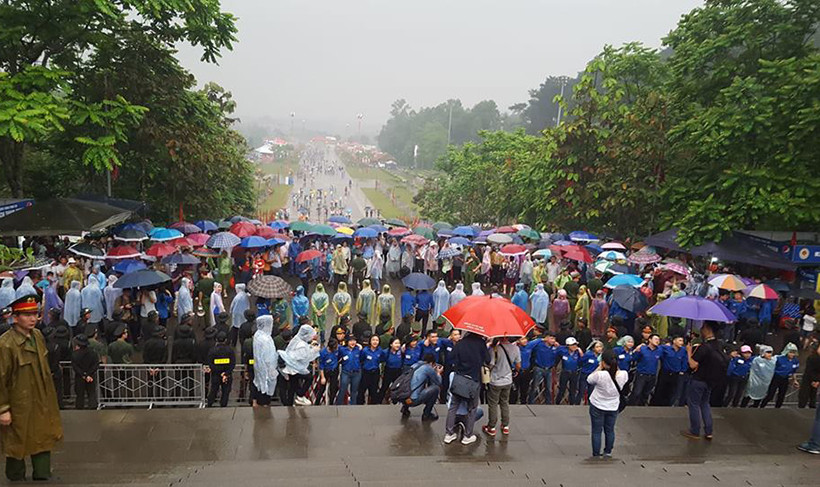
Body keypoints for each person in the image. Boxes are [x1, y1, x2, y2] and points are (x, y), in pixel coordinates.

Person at [0, 295, 63, 481]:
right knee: (16, 444)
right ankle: (16, 477)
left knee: (43, 439)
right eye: (27, 315)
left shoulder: (37, 336)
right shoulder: (6, 344)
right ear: (15, 317)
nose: (33, 318)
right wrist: (3, 408)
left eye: (35, 313)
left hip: (41, 400)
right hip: (18, 403)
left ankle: (42, 474)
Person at [682, 321, 725, 440]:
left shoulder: (704, 347)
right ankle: (708, 431)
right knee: (705, 404)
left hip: (699, 379)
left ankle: (695, 430)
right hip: (710, 381)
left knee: (694, 404)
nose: (701, 330)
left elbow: (692, 364)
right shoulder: (718, 345)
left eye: (703, 327)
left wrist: (689, 352)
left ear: (707, 329)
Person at [444, 331, 489, 443]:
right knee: (472, 408)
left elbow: (451, 358)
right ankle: (467, 436)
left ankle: (449, 434)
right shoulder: (481, 344)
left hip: (459, 378)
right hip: (473, 379)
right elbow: (487, 359)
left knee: (453, 406)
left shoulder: (460, 343)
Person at [586, 349, 628, 459]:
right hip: (613, 406)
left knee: (596, 430)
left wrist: (599, 367)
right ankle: (608, 451)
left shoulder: (600, 375)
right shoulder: (623, 374)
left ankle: (596, 453)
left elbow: (589, 379)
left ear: (603, 362)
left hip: (597, 404)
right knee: (610, 430)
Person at [483, 337, 521, 437]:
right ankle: (505, 426)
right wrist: (514, 371)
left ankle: (491, 427)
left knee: (493, 404)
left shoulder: (494, 349)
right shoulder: (515, 348)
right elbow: (518, 365)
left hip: (495, 381)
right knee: (505, 402)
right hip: (508, 380)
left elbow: (490, 365)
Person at [279, 324, 320, 406]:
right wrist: (314, 350)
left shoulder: (296, 340)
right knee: (309, 377)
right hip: (295, 368)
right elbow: (303, 356)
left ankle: (289, 404)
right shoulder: (301, 344)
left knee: (292, 386)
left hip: (290, 367)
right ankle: (300, 395)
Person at [401, 353, 442, 420]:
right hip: (413, 400)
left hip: (403, 398)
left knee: (412, 386)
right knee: (436, 389)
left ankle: (405, 408)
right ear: (431, 363)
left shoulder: (414, 365)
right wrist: (438, 373)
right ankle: (426, 414)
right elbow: (438, 382)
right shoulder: (428, 368)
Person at [651, 336, 688, 407]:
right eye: (680, 340)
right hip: (665, 372)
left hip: (675, 374)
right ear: (674, 341)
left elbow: (684, 360)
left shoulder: (683, 350)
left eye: (682, 341)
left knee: (671, 391)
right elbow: (658, 348)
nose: (681, 343)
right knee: (660, 389)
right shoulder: (666, 348)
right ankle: (655, 405)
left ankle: (667, 406)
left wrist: (682, 370)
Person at [761, 342, 800, 408]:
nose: (792, 354)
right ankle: (762, 406)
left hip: (785, 379)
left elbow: (794, 371)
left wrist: (795, 380)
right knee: (770, 395)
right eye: (790, 352)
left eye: (793, 352)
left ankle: (777, 409)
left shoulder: (795, 361)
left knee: (781, 396)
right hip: (776, 378)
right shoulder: (779, 358)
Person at [629, 333, 662, 406]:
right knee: (637, 392)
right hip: (641, 374)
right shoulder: (643, 349)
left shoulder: (659, 350)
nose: (657, 341)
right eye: (656, 339)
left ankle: (642, 408)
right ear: (650, 340)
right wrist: (636, 350)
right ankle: (631, 407)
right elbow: (634, 358)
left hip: (652, 375)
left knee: (646, 394)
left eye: (659, 340)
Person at [528, 330, 558, 404]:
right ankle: (531, 402)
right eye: (551, 338)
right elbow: (529, 345)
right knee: (535, 387)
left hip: (549, 369)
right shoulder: (539, 345)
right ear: (547, 338)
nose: (553, 340)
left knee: (548, 388)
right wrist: (540, 339)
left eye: (554, 339)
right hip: (539, 368)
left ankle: (548, 402)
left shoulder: (554, 347)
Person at [206, 332, 235, 407]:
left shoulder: (212, 350)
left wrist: (217, 371)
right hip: (226, 375)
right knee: (226, 391)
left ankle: (209, 404)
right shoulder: (230, 350)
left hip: (216, 375)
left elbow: (210, 363)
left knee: (213, 390)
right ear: (225, 340)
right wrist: (226, 373)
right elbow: (232, 364)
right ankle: (223, 405)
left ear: (216, 340)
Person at [358, 334, 385, 404]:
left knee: (374, 390)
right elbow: (361, 359)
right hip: (366, 372)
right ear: (370, 341)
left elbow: (382, 359)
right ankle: (360, 404)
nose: (375, 342)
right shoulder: (365, 350)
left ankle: (373, 405)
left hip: (375, 372)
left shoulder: (380, 351)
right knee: (362, 390)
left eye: (377, 340)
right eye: (373, 340)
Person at [336, 334, 363, 405]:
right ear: (347, 342)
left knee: (354, 390)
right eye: (351, 341)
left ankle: (353, 405)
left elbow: (362, 359)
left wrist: (360, 347)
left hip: (356, 373)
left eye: (354, 341)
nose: (353, 342)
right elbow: (338, 358)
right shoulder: (342, 349)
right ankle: (339, 405)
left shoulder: (358, 350)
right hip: (346, 372)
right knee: (342, 389)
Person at [556, 336, 583, 405]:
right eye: (573, 345)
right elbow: (558, 349)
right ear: (568, 346)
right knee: (562, 389)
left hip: (574, 372)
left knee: (572, 390)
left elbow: (581, 362)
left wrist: (581, 353)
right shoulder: (563, 351)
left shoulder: (577, 353)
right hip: (565, 372)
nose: (575, 346)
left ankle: (572, 404)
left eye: (575, 344)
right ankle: (557, 403)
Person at [318, 337, 340, 405]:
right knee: (322, 388)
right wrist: (322, 377)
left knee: (333, 388)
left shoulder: (338, 348)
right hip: (326, 371)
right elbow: (321, 365)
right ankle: (317, 402)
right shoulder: (323, 352)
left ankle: (331, 403)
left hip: (334, 370)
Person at [798, 343, 820, 408]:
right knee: (804, 396)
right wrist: (814, 380)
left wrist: (818, 381)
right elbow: (809, 370)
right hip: (808, 379)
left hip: (816, 380)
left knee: (813, 397)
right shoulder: (812, 358)